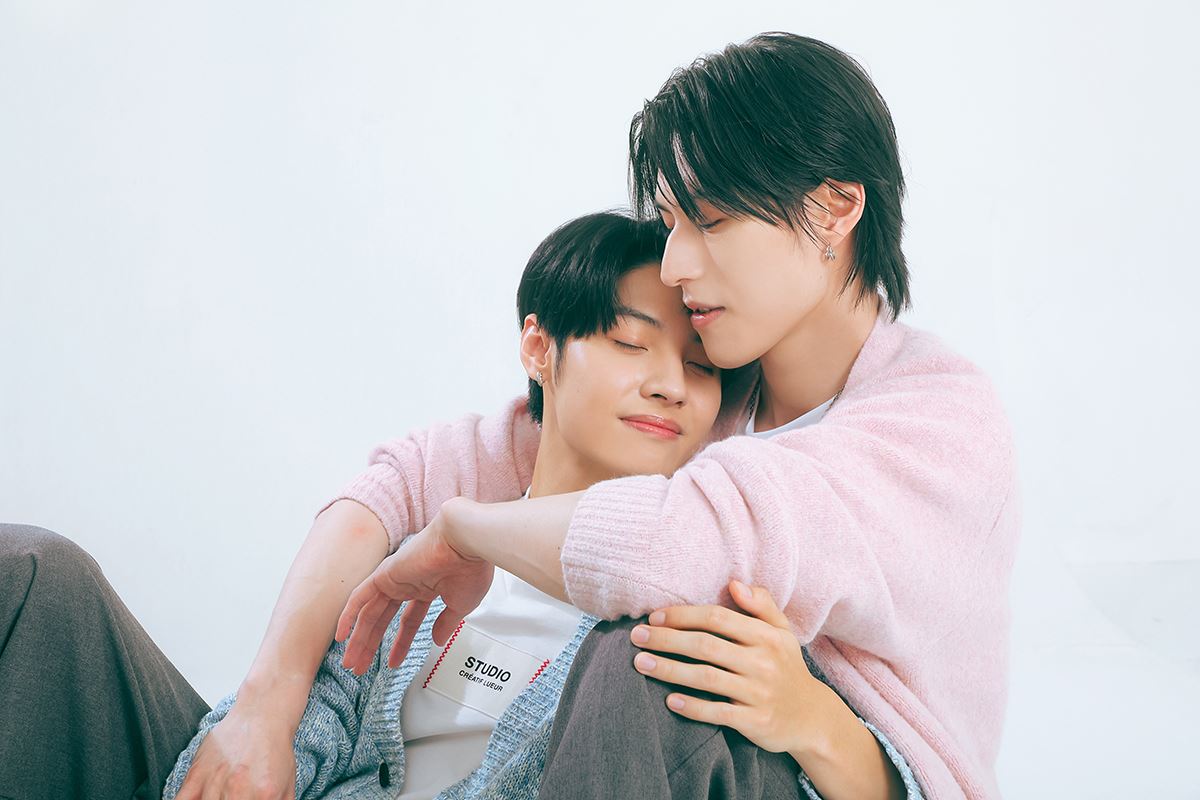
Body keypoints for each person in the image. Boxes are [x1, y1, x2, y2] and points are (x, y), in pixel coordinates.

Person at [335, 32, 1018, 800]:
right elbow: (432, 466)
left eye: (711, 221)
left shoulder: (941, 419)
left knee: (651, 650)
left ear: (834, 210)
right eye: (670, 225)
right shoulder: (713, 392)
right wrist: (270, 694)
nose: (674, 265)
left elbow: (673, 542)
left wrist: (462, 529)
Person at [165, 211, 914, 800]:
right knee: (78, 601)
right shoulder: (427, 558)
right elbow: (306, 722)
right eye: (631, 344)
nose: (670, 386)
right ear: (539, 349)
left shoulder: (705, 586)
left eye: (698, 367)